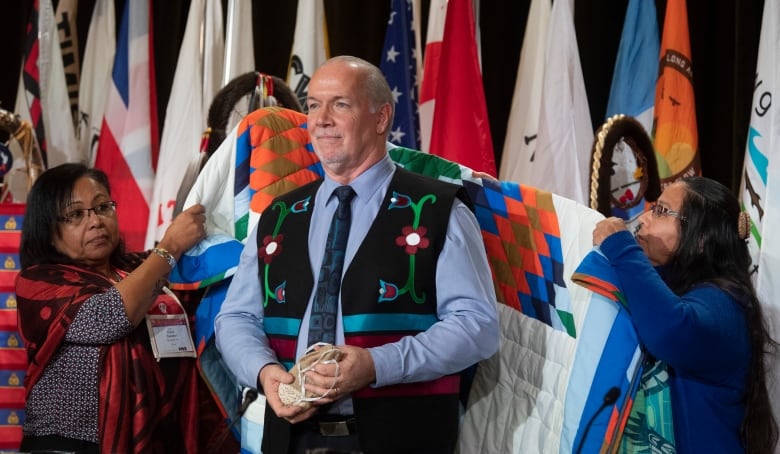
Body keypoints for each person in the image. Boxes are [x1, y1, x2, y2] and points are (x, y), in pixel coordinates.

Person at [214, 55, 499, 454]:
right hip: (289, 439)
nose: (321, 119)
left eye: (340, 104)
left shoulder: (438, 208)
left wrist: (377, 365)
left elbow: (478, 326)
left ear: (382, 118)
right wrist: (265, 374)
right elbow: (237, 317)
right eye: (313, 105)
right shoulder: (277, 215)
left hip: (404, 440)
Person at [16, 163, 207, 453]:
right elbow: (109, 316)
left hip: (153, 440)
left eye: (103, 207)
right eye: (76, 214)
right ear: (49, 231)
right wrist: (169, 247)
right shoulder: (39, 282)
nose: (95, 221)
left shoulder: (138, 270)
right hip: (67, 446)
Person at [592, 176, 778, 453]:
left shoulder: (728, 303)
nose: (643, 219)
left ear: (702, 238)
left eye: (661, 211)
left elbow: (671, 330)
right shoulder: (674, 285)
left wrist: (620, 247)